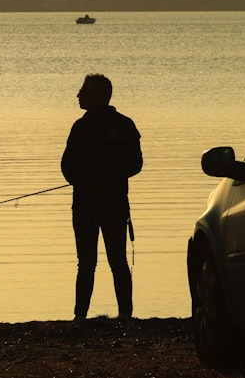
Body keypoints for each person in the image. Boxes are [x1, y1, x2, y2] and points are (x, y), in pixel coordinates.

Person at [61, 74, 143, 320]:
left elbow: (67, 168)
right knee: (116, 261)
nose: (78, 96)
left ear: (97, 97)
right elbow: (135, 165)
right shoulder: (125, 125)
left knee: (87, 263)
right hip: (113, 204)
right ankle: (125, 315)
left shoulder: (81, 127)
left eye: (83, 92)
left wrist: (87, 176)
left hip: (90, 205)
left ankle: (80, 317)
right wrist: (111, 173)